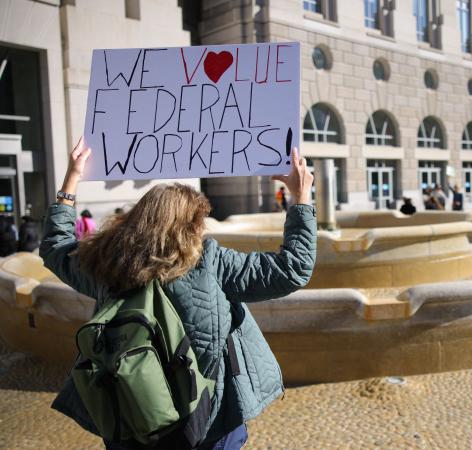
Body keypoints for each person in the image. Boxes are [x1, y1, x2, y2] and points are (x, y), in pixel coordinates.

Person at [41, 138, 316, 450]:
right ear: (190, 227)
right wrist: (300, 198)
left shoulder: (108, 266)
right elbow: (292, 269)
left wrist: (72, 179)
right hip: (206, 423)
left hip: (131, 412)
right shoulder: (211, 262)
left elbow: (55, 247)